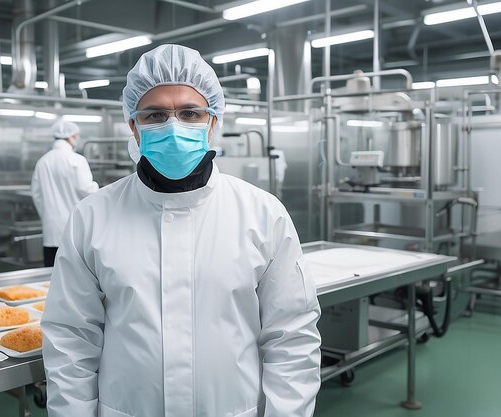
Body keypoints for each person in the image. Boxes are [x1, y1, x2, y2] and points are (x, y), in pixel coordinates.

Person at [41, 44, 321, 417]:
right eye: (155, 115)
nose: (173, 127)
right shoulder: (92, 217)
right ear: (134, 128)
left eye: (190, 112)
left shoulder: (262, 214)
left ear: (213, 123)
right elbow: (71, 339)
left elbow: (292, 337)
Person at [31, 119, 99, 267]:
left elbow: (36, 194)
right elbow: (87, 191)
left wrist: (48, 215)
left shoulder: (43, 161)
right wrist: (97, 187)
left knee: (51, 277)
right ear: (72, 136)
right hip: (76, 231)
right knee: (76, 280)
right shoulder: (77, 160)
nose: (78, 139)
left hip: (51, 230)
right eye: (77, 136)